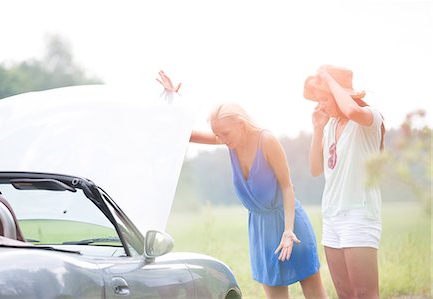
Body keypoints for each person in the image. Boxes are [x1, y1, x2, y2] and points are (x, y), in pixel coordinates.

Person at [157, 70, 328, 299]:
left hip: (290, 224)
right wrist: (173, 100)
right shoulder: (230, 142)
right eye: (218, 135)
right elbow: (184, 133)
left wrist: (288, 230)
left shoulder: (266, 140)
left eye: (225, 133)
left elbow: (288, 187)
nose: (223, 140)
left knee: (315, 294)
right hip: (260, 230)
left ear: (240, 123)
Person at [304, 65, 385, 299]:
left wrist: (328, 78)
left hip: (359, 215)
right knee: (344, 293)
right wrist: (317, 129)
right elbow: (315, 169)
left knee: (364, 293)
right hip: (332, 217)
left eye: (324, 98)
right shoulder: (330, 126)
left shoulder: (368, 118)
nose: (321, 105)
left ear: (340, 94)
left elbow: (351, 110)